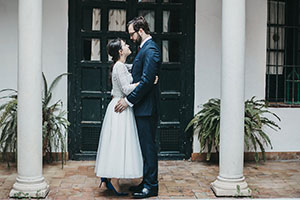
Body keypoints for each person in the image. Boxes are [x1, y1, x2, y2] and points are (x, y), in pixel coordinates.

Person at [114, 16, 161, 199]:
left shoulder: (152, 50)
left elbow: (147, 81)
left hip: (147, 107)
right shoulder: (143, 49)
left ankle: (151, 186)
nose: (131, 38)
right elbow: (139, 73)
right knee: (144, 146)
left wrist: (128, 101)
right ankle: (145, 181)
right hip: (142, 106)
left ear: (140, 31)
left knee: (149, 147)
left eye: (132, 34)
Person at [94, 38, 144, 196]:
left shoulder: (121, 66)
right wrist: (144, 82)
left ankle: (109, 176)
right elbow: (126, 88)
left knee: (115, 142)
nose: (128, 45)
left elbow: (131, 71)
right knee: (118, 142)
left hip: (118, 105)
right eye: (125, 45)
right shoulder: (120, 66)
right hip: (120, 107)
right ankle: (113, 180)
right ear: (121, 52)